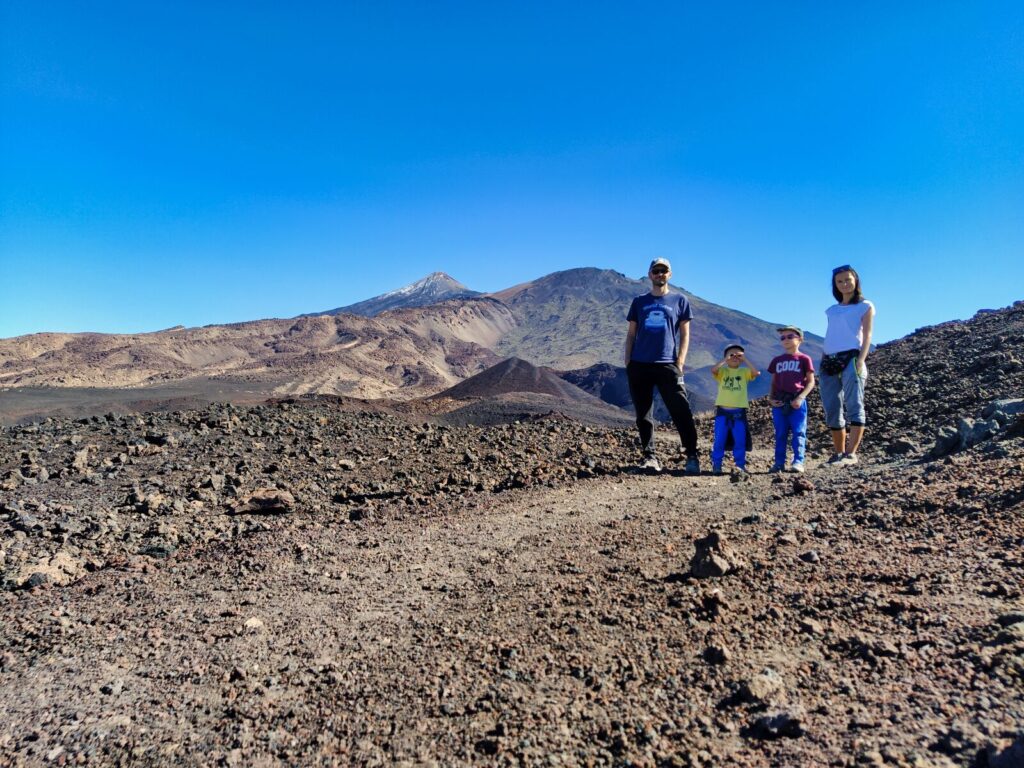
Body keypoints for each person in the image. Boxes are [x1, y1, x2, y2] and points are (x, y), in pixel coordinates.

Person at [624, 258, 700, 474]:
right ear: (650, 274)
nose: (659, 274)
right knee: (643, 414)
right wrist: (628, 360)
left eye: (663, 271)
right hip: (640, 365)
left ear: (670, 274)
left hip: (668, 364)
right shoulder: (639, 302)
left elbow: (685, 334)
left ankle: (692, 455)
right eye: (656, 271)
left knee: (681, 410)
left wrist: (680, 362)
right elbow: (631, 334)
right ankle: (650, 457)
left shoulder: (680, 300)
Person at [820, 265, 875, 466]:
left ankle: (851, 454)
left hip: (852, 358)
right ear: (835, 285)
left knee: (854, 403)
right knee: (832, 407)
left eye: (848, 280)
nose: (844, 284)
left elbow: (868, 334)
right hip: (829, 359)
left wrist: (861, 359)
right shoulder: (832, 310)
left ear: (856, 280)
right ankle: (839, 453)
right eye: (840, 281)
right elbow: (831, 334)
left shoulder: (865, 305)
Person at [767, 326, 816, 473]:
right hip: (780, 401)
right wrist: (770, 398)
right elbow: (773, 382)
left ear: (800, 339)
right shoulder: (777, 360)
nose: (786, 340)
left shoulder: (804, 359)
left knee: (799, 431)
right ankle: (779, 463)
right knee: (780, 432)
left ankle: (798, 461)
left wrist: (801, 397)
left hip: (797, 401)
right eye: (783, 338)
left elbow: (811, 381)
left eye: (790, 337)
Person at [709, 344, 759, 474]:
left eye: (739, 355)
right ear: (726, 357)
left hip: (739, 413)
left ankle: (740, 466)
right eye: (732, 355)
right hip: (722, 413)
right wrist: (725, 360)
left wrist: (745, 360)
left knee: (740, 441)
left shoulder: (744, 372)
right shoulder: (723, 371)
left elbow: (756, 373)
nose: (735, 357)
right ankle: (717, 466)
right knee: (719, 440)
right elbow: (713, 370)